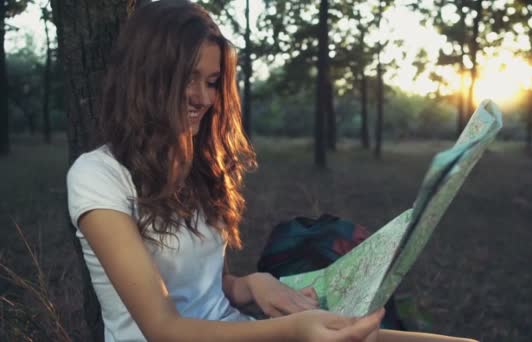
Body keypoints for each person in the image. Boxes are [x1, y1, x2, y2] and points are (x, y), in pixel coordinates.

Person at [66, 1, 477, 341]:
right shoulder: (97, 177)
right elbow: (164, 328)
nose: (204, 98)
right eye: (188, 79)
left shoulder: (197, 169)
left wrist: (251, 286)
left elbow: (209, 286)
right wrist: (293, 330)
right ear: (147, 77)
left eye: (212, 82)